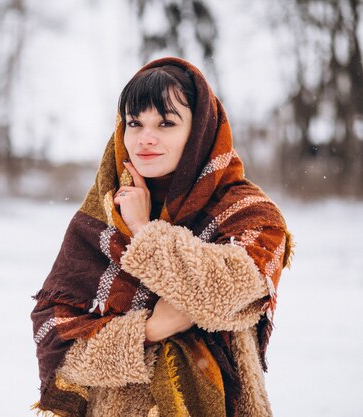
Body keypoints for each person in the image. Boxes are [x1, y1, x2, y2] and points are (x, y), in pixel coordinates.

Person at [30, 56, 294, 417]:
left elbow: (223, 294)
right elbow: (59, 349)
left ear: (199, 130)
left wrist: (145, 232)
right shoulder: (103, 218)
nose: (145, 138)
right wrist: (147, 330)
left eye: (166, 122)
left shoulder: (250, 215)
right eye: (134, 123)